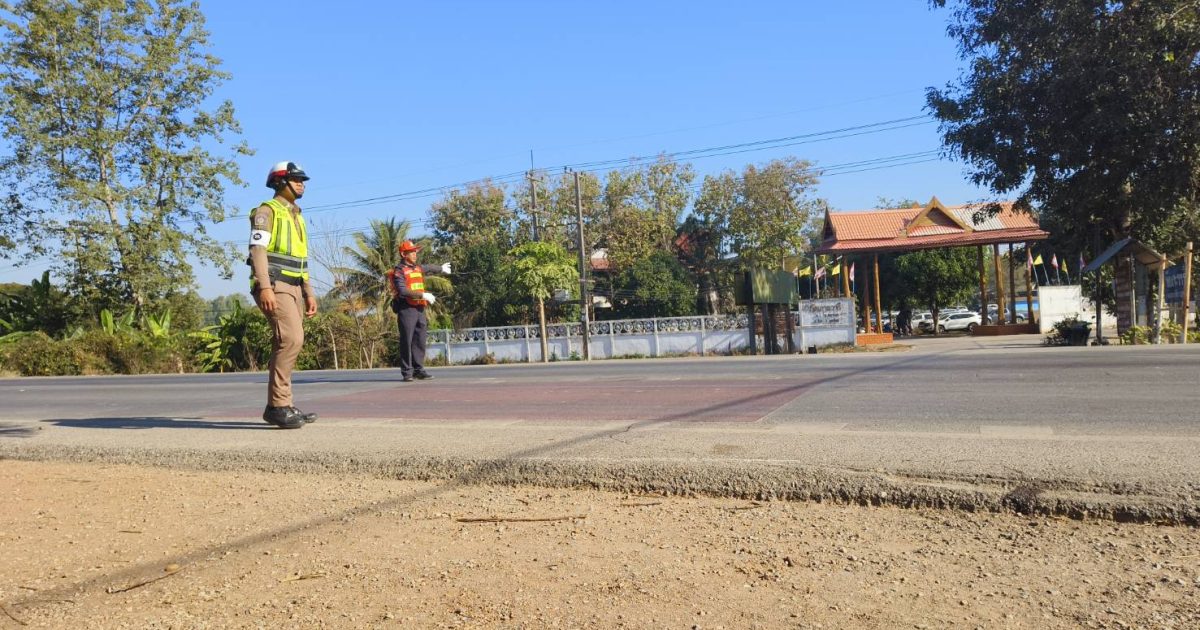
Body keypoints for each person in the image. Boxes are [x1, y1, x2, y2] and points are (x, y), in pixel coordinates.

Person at [248, 161, 319, 429]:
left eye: (303, 180)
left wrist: (308, 292)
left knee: (288, 343)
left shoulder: (297, 215)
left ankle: (282, 405)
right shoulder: (267, 211)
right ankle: (278, 406)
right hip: (275, 285)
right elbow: (258, 250)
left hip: (295, 287)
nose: (302, 185)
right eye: (296, 180)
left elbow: (301, 259)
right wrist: (265, 286)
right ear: (280, 182)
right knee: (291, 339)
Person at [390, 240, 450, 382]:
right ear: (404, 254)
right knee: (407, 340)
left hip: (419, 308)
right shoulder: (399, 271)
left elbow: (428, 267)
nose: (415, 254)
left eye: (415, 251)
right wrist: (422, 295)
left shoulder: (417, 268)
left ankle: (419, 370)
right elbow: (403, 291)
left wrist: (441, 268)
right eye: (411, 252)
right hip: (407, 309)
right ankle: (407, 372)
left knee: (420, 340)